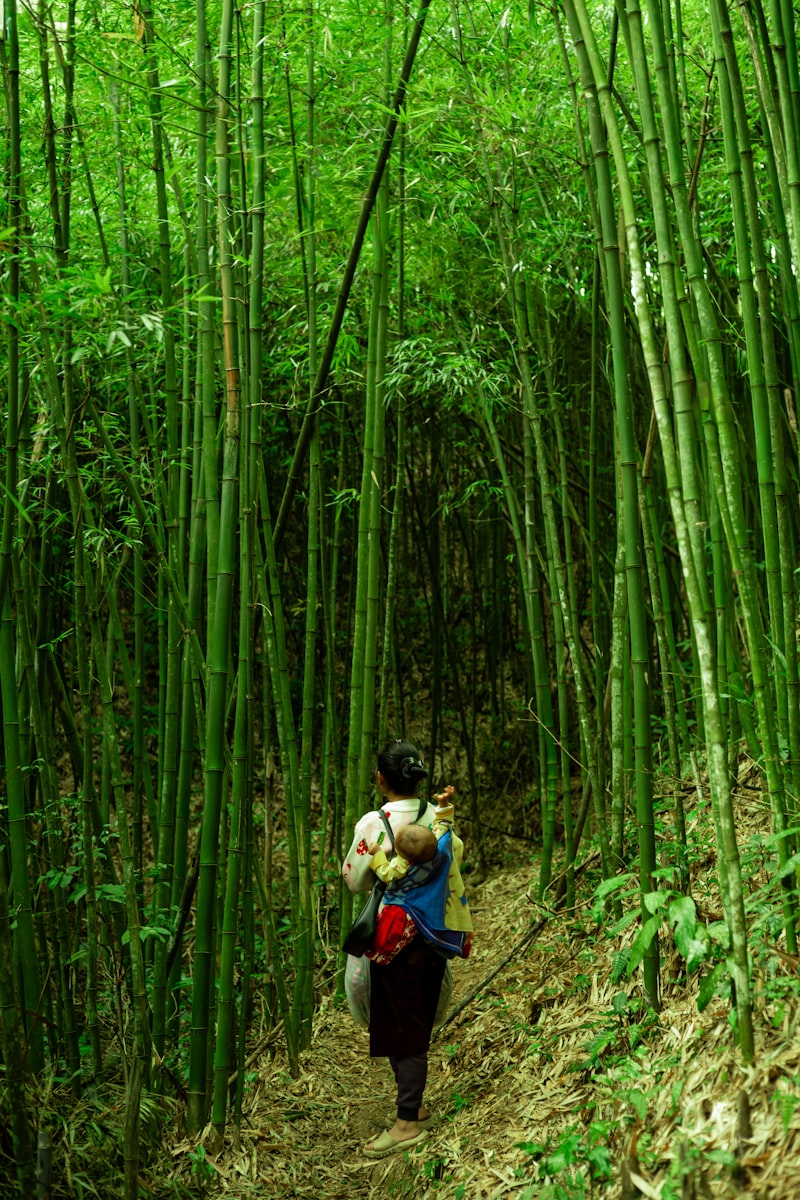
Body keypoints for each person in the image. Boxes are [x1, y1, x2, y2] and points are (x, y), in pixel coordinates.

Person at [342, 740, 464, 1159]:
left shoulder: (373, 823)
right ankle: (414, 1105)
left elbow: (354, 879)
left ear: (381, 779)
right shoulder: (436, 818)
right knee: (415, 1018)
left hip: (394, 935)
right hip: (434, 929)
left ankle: (407, 1123)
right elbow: (455, 855)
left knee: (402, 1026)